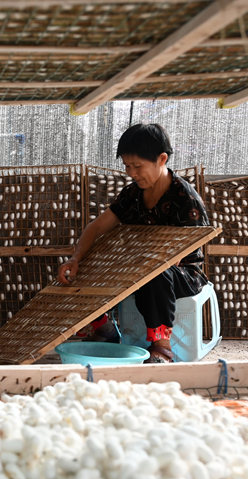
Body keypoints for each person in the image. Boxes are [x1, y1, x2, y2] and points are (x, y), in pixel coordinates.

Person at [57, 123, 210, 363]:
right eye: (127, 166)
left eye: (138, 166)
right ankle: (104, 330)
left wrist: (147, 264)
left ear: (162, 159)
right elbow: (96, 228)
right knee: (83, 266)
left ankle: (162, 347)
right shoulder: (132, 195)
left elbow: (185, 249)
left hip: (181, 274)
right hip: (138, 268)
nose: (132, 173)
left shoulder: (185, 197)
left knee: (157, 274)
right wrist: (76, 259)